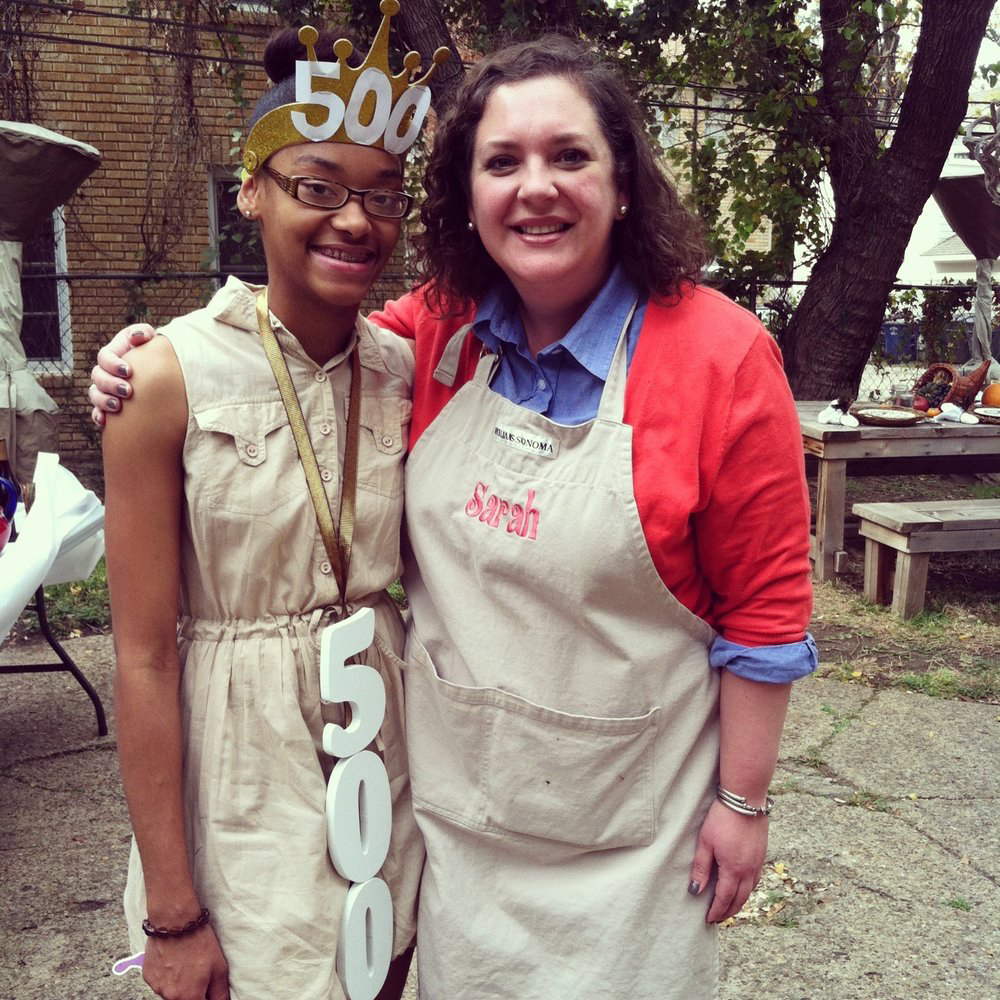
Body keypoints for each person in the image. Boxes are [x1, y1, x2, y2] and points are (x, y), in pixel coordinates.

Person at [93, 35, 816, 999]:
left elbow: (767, 613)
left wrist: (744, 799)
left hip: (634, 830)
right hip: (447, 818)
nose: (536, 186)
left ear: (626, 180)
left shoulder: (723, 358)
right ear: (469, 200)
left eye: (570, 156)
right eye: (502, 162)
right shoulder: (435, 333)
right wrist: (142, 363)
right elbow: (289, 351)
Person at [100, 10, 440, 999]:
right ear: (252, 192)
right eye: (318, 187)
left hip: (381, 749)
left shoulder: (408, 372)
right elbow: (141, 654)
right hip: (238, 777)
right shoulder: (163, 379)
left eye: (382, 196)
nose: (355, 219)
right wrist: (173, 910)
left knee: (383, 966)